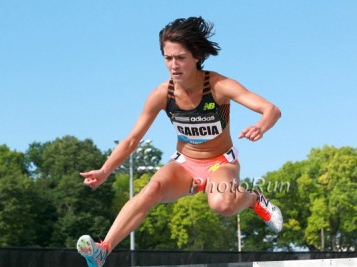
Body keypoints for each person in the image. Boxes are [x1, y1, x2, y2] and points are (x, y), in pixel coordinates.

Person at [77, 16, 283, 267]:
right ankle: (103, 250)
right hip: (184, 165)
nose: (173, 65)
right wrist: (105, 170)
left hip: (220, 164)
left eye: (180, 58)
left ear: (196, 56)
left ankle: (253, 199)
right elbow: (132, 140)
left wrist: (261, 126)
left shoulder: (218, 86)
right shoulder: (162, 94)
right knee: (151, 189)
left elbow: (271, 109)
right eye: (168, 58)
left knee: (222, 205)